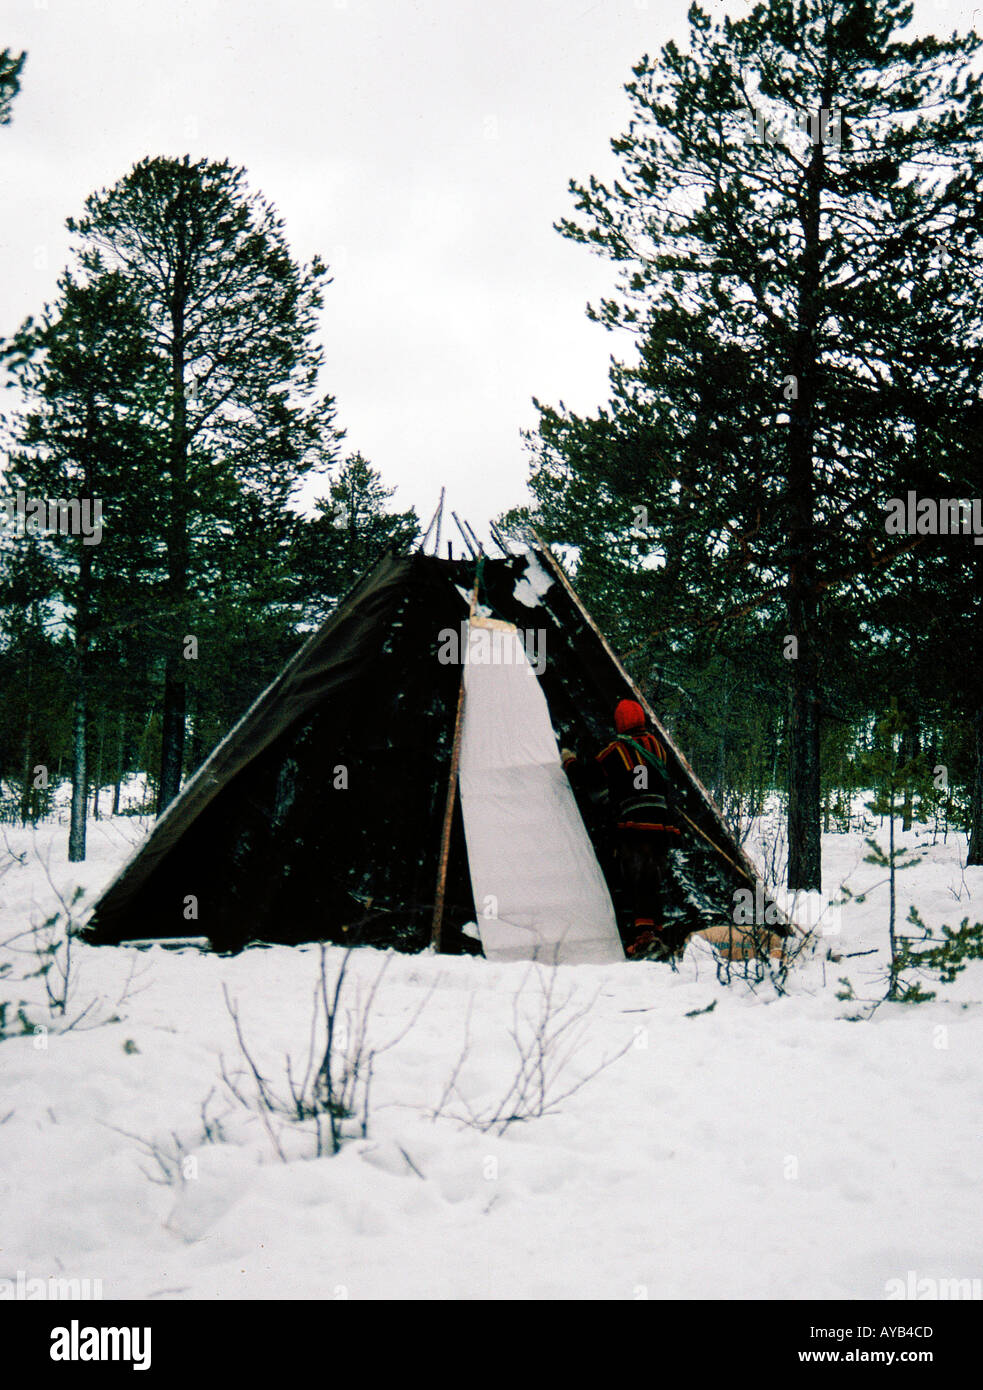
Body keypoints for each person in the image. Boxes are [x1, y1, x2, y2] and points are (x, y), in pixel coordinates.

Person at [562, 699, 682, 957]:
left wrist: (569, 761)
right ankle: (656, 933)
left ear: (620, 723)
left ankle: (642, 938)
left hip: (635, 827)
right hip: (662, 827)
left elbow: (588, 778)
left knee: (637, 881)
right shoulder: (659, 748)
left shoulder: (617, 750)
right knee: (653, 880)